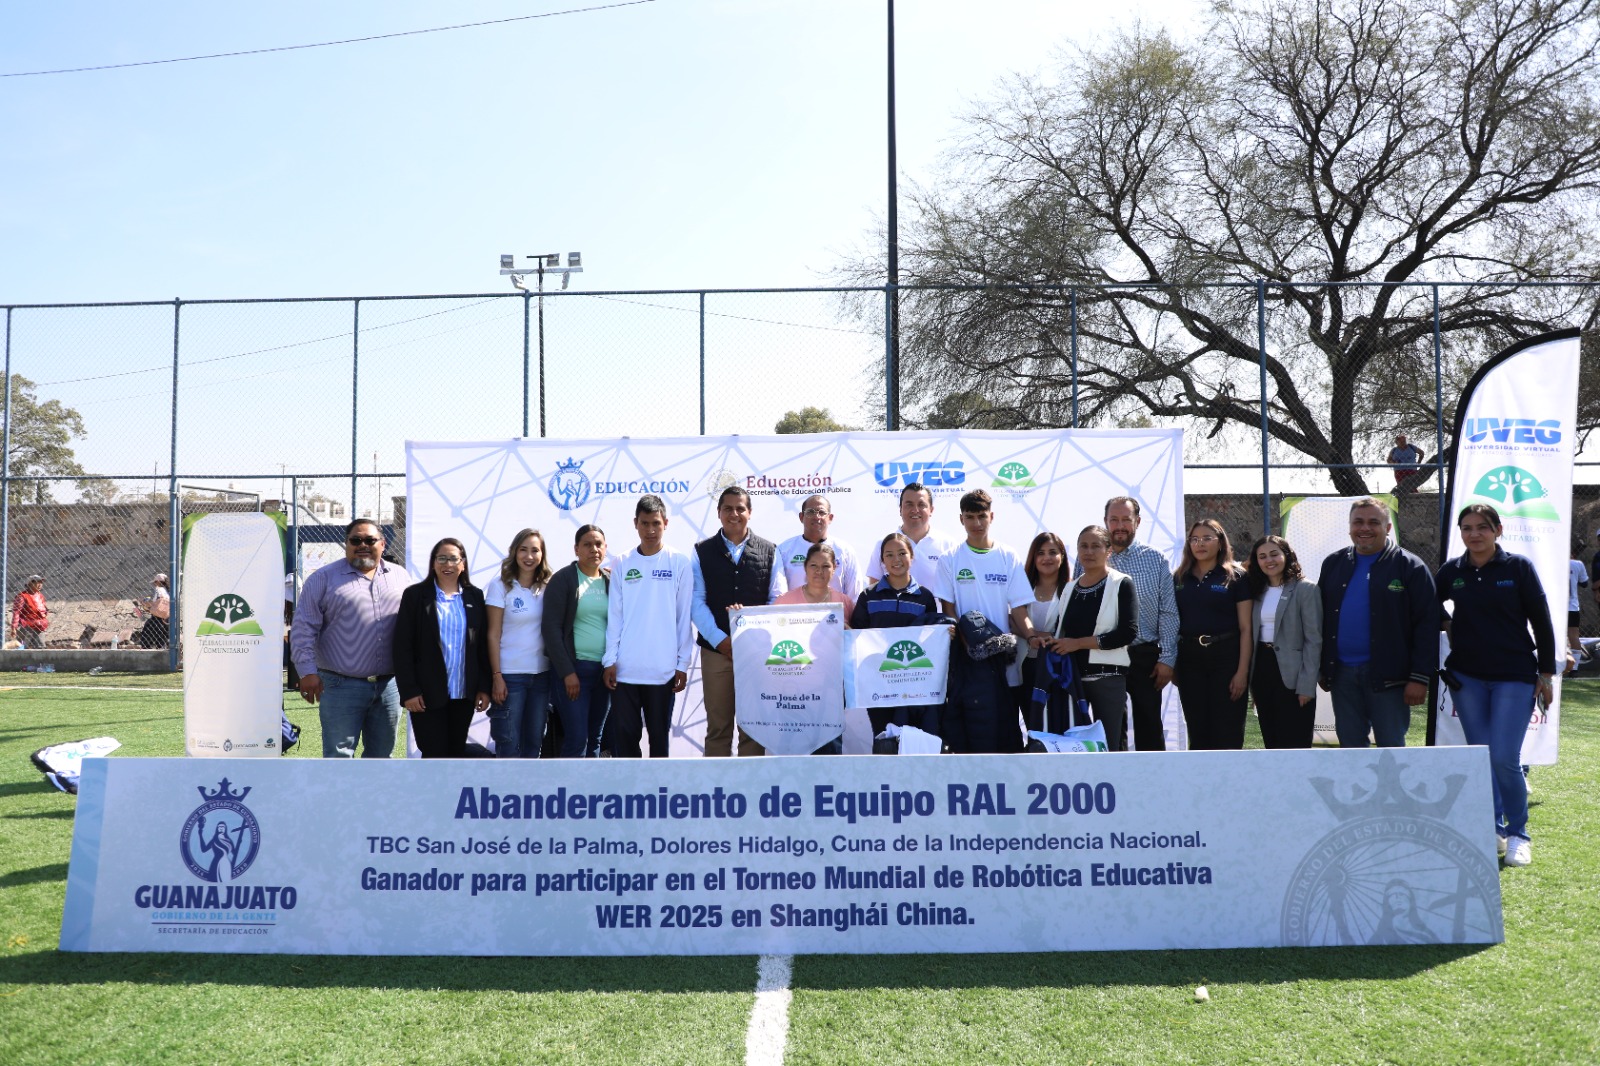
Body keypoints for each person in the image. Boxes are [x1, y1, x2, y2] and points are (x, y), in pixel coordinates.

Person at [1436, 503, 1557, 868]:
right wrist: (1447, 623)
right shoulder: (1452, 571)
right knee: (1483, 756)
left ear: (1498, 530)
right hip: (1467, 677)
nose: (1474, 534)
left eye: (1482, 527)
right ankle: (1492, 828)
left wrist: (1546, 674)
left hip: (1514, 675)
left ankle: (1519, 834)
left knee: (1504, 757)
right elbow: (1426, 607)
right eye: (1467, 528)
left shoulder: (1518, 567)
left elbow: (1542, 620)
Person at [1317, 498, 1437, 748]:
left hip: (1390, 676)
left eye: (1374, 522)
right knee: (1351, 748)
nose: (1365, 528)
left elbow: (1427, 624)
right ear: (1349, 526)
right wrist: (1322, 668)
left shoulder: (1410, 566)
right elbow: (1320, 618)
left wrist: (1419, 677)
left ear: (1388, 527)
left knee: (1391, 750)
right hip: (1342, 675)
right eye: (1358, 522)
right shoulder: (1333, 563)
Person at [291, 519, 406, 758]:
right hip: (340, 685)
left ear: (382, 544)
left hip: (389, 686)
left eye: (370, 540)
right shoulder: (323, 578)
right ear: (346, 544)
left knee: (382, 758)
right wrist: (306, 672)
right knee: (339, 757)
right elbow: (303, 629)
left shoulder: (400, 577)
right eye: (355, 540)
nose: (362, 545)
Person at [932, 489, 1032, 753]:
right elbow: (948, 610)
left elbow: (1019, 608)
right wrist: (970, 647)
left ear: (992, 516)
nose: (976, 523)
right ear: (961, 519)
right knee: (974, 733)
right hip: (969, 663)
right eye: (970, 517)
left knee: (1007, 732)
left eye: (982, 516)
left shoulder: (1008, 555)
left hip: (1005, 661)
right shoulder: (950, 559)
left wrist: (1032, 635)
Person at [604, 495, 693, 759]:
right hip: (625, 671)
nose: (651, 530)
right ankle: (630, 786)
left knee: (659, 743)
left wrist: (682, 663)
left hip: (662, 672)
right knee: (626, 743)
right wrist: (610, 660)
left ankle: (659, 786)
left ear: (666, 523)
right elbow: (615, 616)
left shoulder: (679, 562)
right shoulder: (622, 562)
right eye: (645, 523)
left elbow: (683, 616)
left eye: (656, 523)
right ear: (636, 524)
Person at [692, 486, 777, 758]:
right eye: (728, 508)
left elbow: (777, 599)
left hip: (757, 653)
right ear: (719, 513)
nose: (734, 514)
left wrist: (751, 637)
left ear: (749, 512)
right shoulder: (701, 551)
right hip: (716, 652)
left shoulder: (770, 550)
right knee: (718, 728)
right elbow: (696, 601)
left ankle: (751, 784)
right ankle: (717, 784)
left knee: (753, 728)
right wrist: (721, 641)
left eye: (740, 508)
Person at [393, 537, 491, 758]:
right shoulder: (415, 596)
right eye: (442, 558)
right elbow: (402, 647)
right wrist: (409, 691)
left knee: (455, 753)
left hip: (463, 694)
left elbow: (481, 646)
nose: (448, 564)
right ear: (433, 563)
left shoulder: (475, 596)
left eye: (453, 559)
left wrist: (484, 687)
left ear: (463, 564)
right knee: (434, 754)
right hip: (426, 695)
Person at [1044, 526, 1136, 748]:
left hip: (1108, 680)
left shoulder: (1122, 583)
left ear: (1108, 551)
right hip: (1072, 682)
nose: (1089, 552)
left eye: (1096, 546)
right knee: (1074, 747)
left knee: (1110, 746)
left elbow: (1127, 633)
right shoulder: (1069, 588)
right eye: (1083, 546)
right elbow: (1060, 631)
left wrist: (1077, 644)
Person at [1103, 496, 1180, 751]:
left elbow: (1168, 611)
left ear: (1137, 521)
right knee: (1111, 727)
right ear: (1105, 522)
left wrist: (1167, 659)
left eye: (1126, 519)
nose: (1120, 526)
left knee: (1149, 726)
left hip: (1144, 655)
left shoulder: (1156, 559)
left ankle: (1155, 775)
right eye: (1114, 519)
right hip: (1104, 654)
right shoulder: (1091, 557)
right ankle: (1115, 774)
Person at [852, 532, 944, 741]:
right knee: (884, 739)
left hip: (915, 683)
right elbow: (858, 636)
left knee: (913, 740)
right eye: (889, 555)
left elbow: (931, 639)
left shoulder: (925, 597)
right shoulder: (868, 595)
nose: (896, 559)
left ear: (912, 556)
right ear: (882, 560)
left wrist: (947, 633)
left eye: (902, 553)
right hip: (878, 684)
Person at [1172, 520, 1253, 750]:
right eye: (1195, 539)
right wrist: (1174, 666)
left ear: (1220, 543)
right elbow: (1172, 624)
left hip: (1226, 659)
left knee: (1227, 731)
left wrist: (1242, 673)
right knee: (1198, 732)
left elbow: (1246, 629)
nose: (1200, 544)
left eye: (1207, 538)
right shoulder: (1179, 577)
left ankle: (1229, 775)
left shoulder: (1236, 576)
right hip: (1189, 660)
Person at [1244, 535, 1322, 748]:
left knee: (1295, 742)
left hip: (1294, 676)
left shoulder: (1306, 589)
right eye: (1262, 556)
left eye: (1274, 554)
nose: (1269, 560)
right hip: (1262, 669)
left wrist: (1307, 685)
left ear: (1286, 556)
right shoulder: (1256, 590)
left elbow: (1314, 640)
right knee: (1272, 741)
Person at [542, 525, 612, 758]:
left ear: (605, 548)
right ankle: (570, 783)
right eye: (587, 545)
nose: (594, 549)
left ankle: (592, 783)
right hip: (574, 673)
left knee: (595, 738)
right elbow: (551, 629)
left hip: (604, 673)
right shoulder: (563, 580)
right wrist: (567, 673)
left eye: (598, 544)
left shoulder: (611, 581)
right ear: (576, 549)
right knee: (577, 738)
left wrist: (612, 664)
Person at [484, 528, 554, 758]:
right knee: (509, 745)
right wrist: (497, 676)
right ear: (514, 552)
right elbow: (492, 635)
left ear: (542, 554)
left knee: (534, 743)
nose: (529, 556)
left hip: (541, 676)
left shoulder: (548, 586)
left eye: (535, 550)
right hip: (510, 677)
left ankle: (530, 784)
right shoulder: (500, 585)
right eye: (523, 550)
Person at [1015, 532, 1068, 728]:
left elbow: (1070, 631)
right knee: (1033, 726)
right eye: (1041, 553)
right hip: (1025, 666)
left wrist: (1033, 633)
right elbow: (1011, 622)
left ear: (1062, 556)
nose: (1047, 558)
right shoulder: (1022, 587)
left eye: (1052, 552)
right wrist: (1038, 636)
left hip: (1058, 669)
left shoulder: (1071, 589)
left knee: (1056, 727)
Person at [865, 482, 959, 591]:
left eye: (921, 505)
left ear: (931, 510)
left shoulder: (949, 545)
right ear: (900, 509)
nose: (915, 510)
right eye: (909, 504)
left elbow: (958, 588)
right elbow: (873, 591)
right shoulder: (883, 544)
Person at [771, 494, 864, 602]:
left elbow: (855, 596)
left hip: (836, 612)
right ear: (801, 517)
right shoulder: (784, 550)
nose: (816, 517)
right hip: (796, 612)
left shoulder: (845, 551)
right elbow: (778, 594)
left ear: (830, 518)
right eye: (810, 512)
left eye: (822, 512)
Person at [773, 542, 858, 612]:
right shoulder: (784, 602)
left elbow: (855, 627)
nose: (819, 571)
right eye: (813, 565)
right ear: (805, 566)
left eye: (825, 566)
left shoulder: (845, 603)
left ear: (834, 568)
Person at [1567, 539, 1587, 677]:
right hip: (1571, 607)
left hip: (1555, 607)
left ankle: (1551, 665)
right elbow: (1584, 583)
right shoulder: (1577, 564)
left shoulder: (1552, 562)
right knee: (1574, 636)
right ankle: (1574, 669)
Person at [134, 573, 171, 649]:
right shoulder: (168, 591)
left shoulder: (158, 589)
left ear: (158, 582)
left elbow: (153, 602)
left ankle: (146, 647)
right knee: (161, 635)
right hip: (166, 617)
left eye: (155, 582)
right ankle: (161, 648)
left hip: (157, 616)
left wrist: (142, 601)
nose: (154, 584)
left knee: (147, 630)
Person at [11, 574, 48, 649]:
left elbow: (43, 609)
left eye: (41, 583)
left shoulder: (40, 596)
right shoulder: (22, 596)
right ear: (30, 584)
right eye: (37, 582)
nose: (40, 585)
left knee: (41, 647)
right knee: (22, 648)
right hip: (27, 626)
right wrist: (14, 627)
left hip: (39, 626)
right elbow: (16, 612)